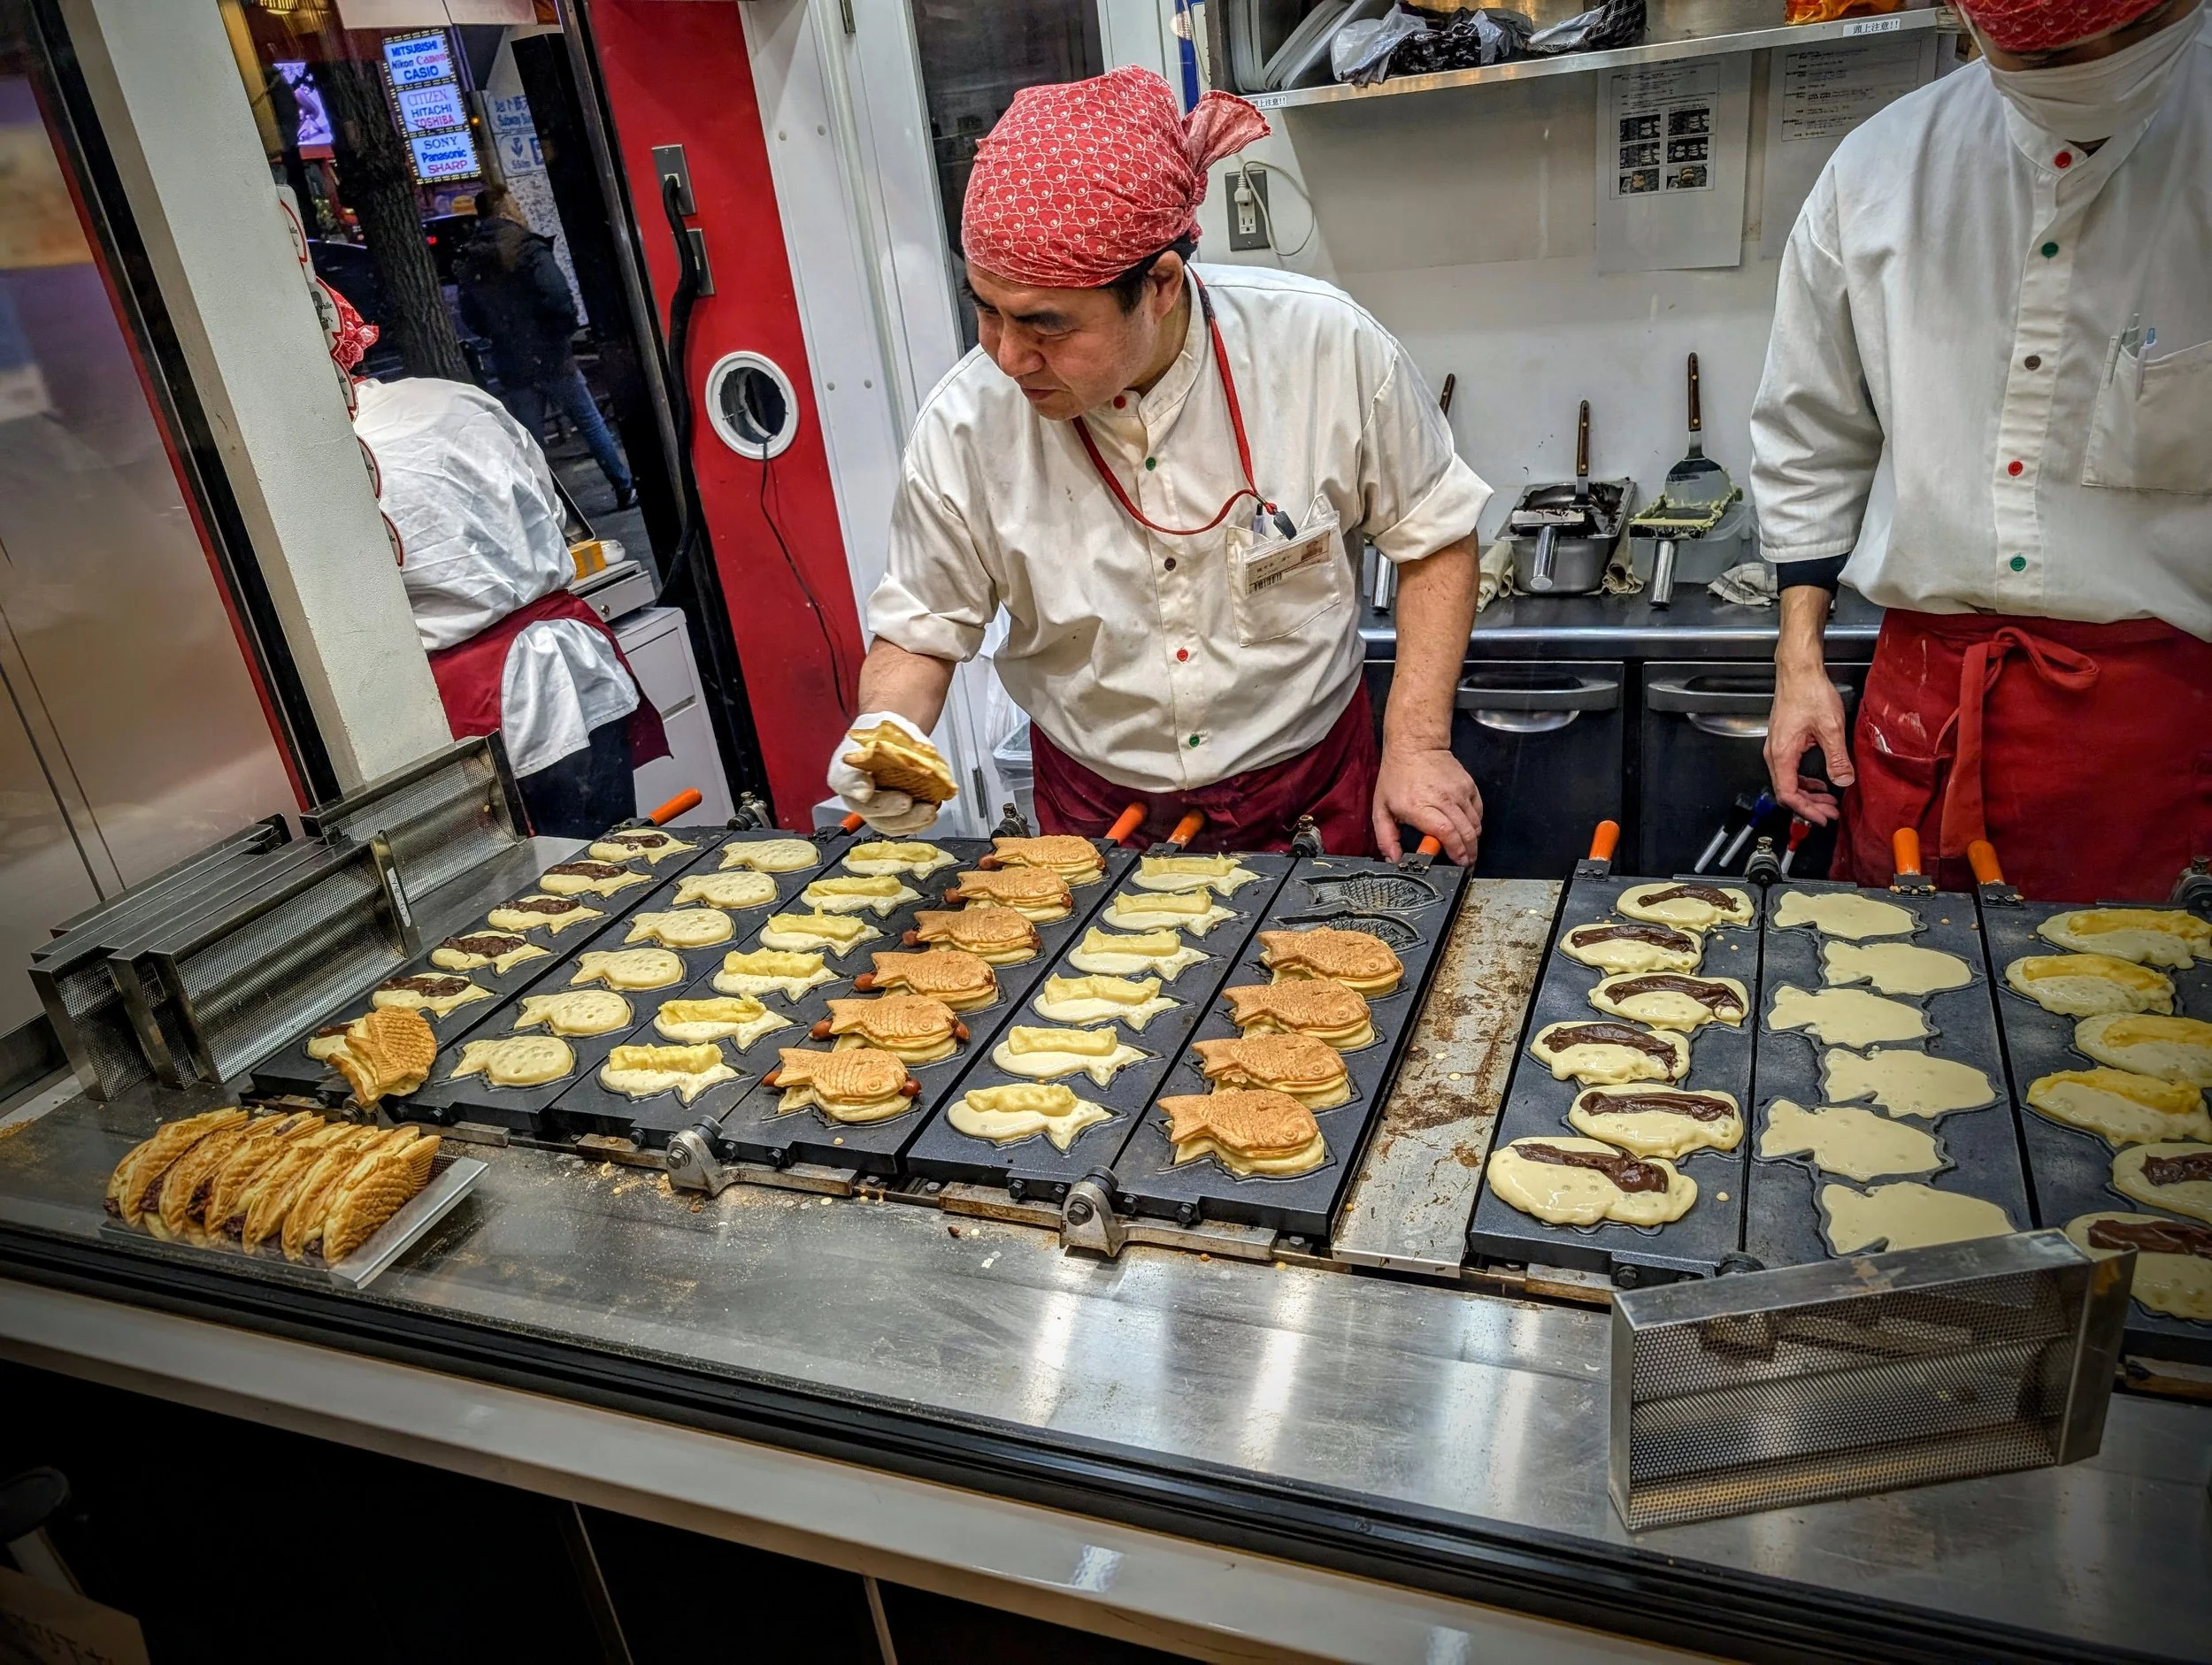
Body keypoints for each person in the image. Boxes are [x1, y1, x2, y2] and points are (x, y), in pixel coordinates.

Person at [828, 69, 1490, 860]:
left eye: (1046, 325)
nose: (1008, 356)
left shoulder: (1324, 350)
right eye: (986, 311)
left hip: (1310, 784)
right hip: (1097, 809)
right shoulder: (965, 427)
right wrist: (884, 733)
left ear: (1161, 285)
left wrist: (1416, 742)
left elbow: (1434, 535)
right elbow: (923, 629)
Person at [1752, 0, 2210, 902]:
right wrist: (1797, 663)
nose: (2072, 70)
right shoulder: (1876, 172)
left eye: (2104, 46)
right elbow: (1811, 438)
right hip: (1920, 707)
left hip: (2157, 730)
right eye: (2029, 56)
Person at [319, 283, 668, 836]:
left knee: (541, 896)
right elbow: (552, 513)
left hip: (484, 708)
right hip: (580, 665)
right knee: (619, 860)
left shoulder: (330, 459)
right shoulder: (453, 398)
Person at [455, 186, 634, 510]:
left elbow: (471, 313)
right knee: (590, 422)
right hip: (550, 353)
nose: (520, 209)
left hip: (511, 359)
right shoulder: (527, 248)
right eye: (516, 203)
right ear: (505, 209)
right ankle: (623, 485)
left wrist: (500, 334)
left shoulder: (472, 257)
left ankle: (545, 508)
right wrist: (559, 333)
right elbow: (557, 296)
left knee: (530, 441)